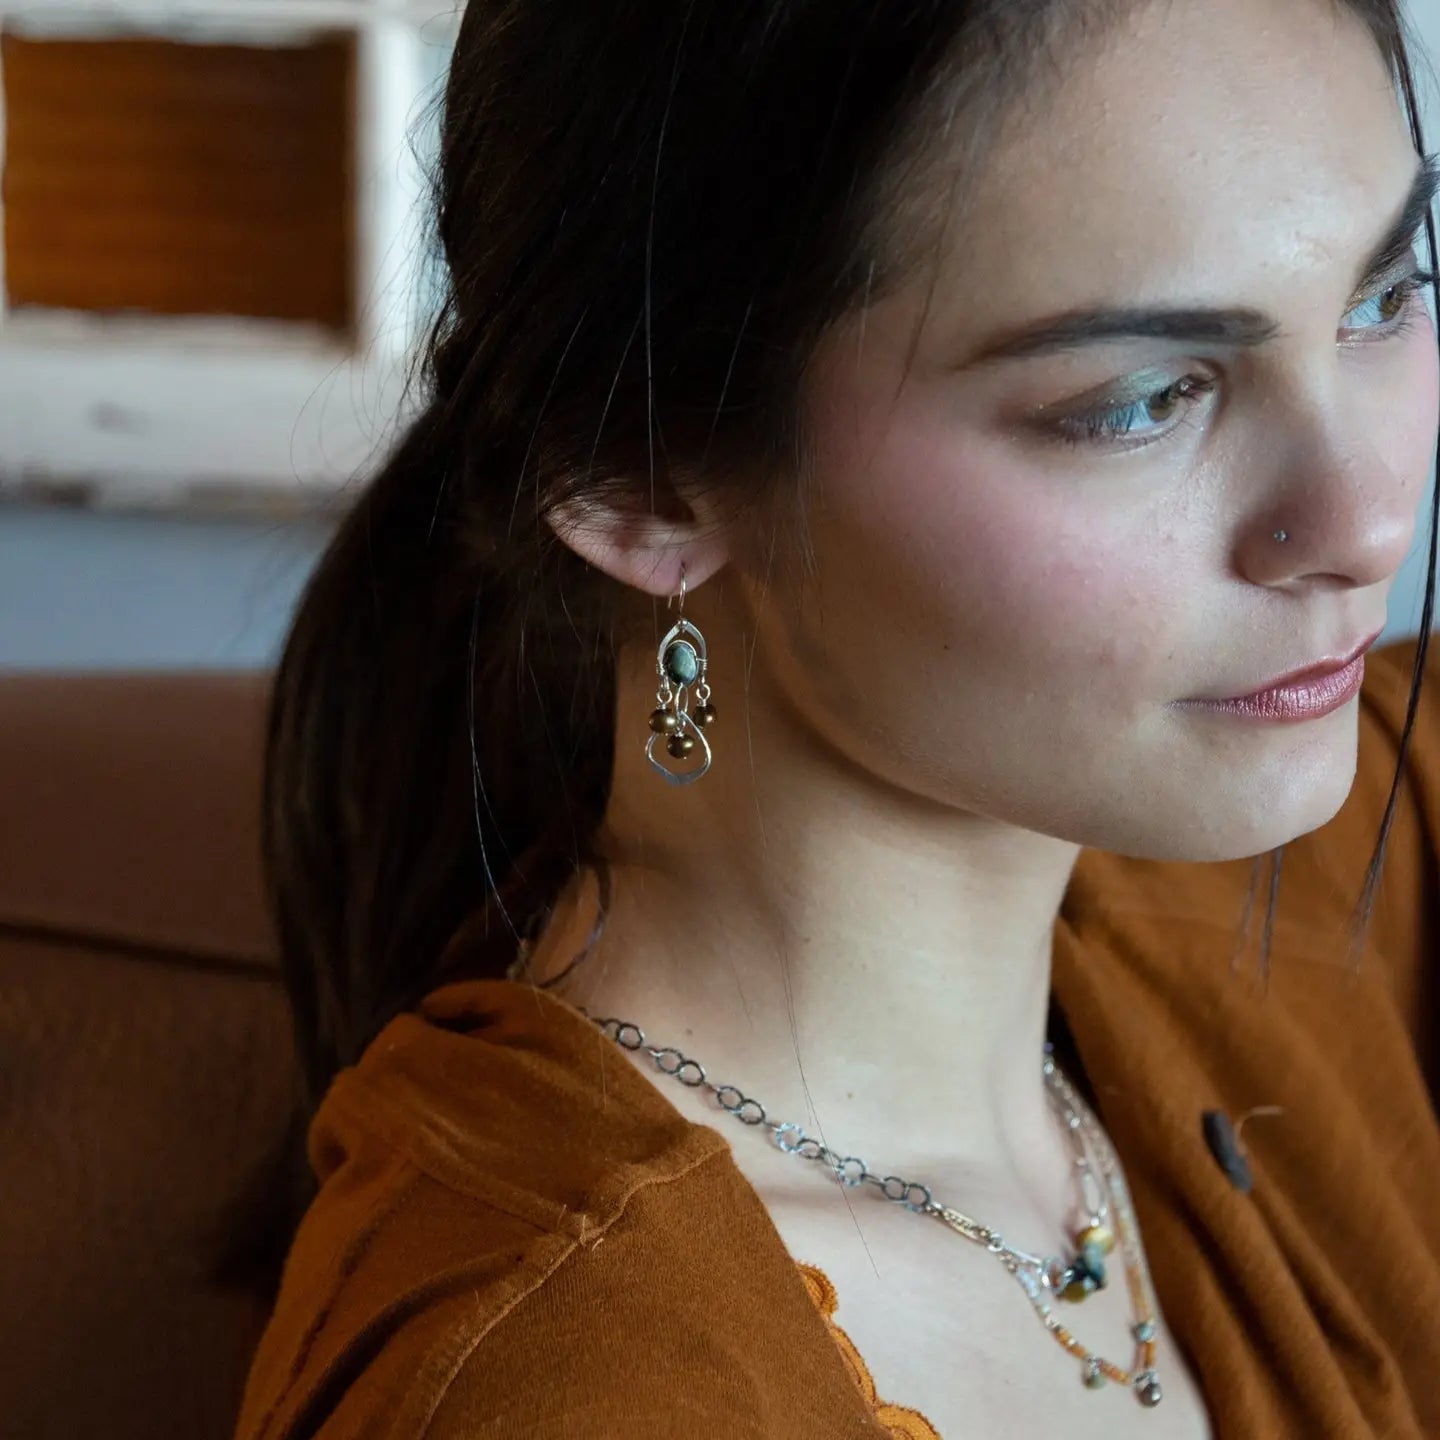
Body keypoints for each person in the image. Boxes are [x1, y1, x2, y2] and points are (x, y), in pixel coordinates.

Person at [236, 1, 1440, 1436]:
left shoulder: (1268, 886)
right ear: (643, 479)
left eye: (1383, 295)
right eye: (1138, 400)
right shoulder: (573, 1382)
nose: (1364, 519)